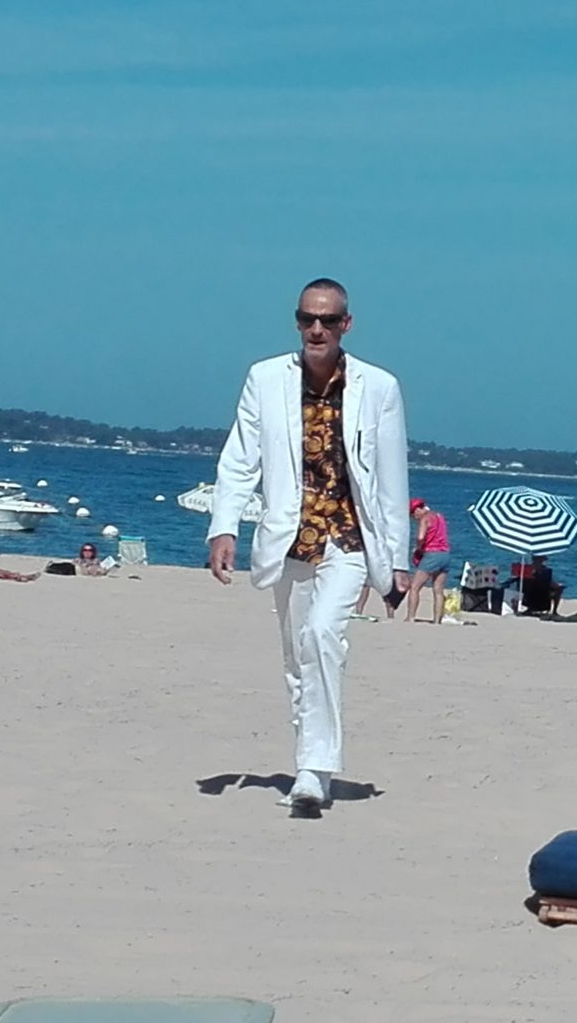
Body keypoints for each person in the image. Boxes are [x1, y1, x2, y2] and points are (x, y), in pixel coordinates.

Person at [208, 277, 410, 814]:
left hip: (350, 538)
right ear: (297, 322)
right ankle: (308, 765)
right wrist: (224, 527)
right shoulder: (265, 378)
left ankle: (316, 771)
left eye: (327, 320)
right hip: (290, 538)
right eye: (307, 319)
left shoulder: (379, 387)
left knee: (323, 634)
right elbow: (240, 459)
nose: (316, 329)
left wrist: (398, 559)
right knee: (298, 656)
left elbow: (392, 481)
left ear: (346, 324)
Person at [406, 497, 451, 624]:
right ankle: (437, 620)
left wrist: (418, 548)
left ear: (418, 510)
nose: (414, 517)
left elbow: (421, 537)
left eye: (413, 514)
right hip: (445, 554)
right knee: (438, 590)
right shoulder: (439, 516)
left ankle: (411, 617)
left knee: (415, 587)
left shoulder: (425, 518)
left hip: (432, 554)